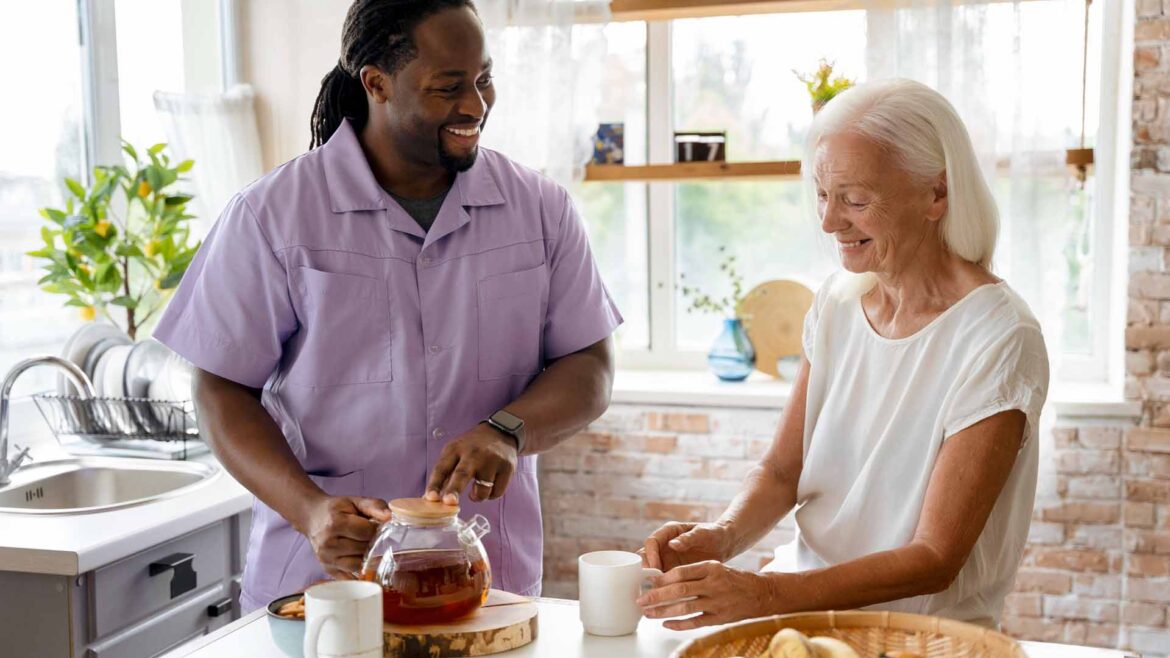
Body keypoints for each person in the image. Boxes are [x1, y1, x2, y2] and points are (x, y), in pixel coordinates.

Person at [154, 0, 620, 612]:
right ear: (376, 83)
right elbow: (220, 389)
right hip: (322, 587)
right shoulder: (274, 215)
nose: (475, 105)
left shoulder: (539, 208)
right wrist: (309, 510)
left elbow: (590, 365)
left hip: (487, 581)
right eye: (448, 87)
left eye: (483, 79)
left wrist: (508, 431)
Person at [638, 79, 1049, 630]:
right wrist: (723, 536)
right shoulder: (836, 303)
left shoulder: (999, 337)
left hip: (918, 638)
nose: (830, 222)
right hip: (803, 620)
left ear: (936, 194)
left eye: (856, 199)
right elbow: (784, 470)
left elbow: (935, 559)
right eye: (822, 196)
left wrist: (764, 594)